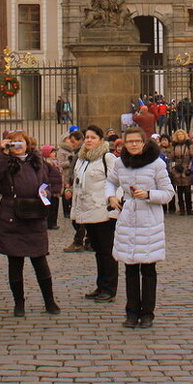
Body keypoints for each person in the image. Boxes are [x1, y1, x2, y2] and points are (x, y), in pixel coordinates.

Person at [0, 130, 63, 317]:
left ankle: (49, 301)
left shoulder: (37, 161)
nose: (17, 145)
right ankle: (19, 303)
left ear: (28, 144)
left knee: (40, 260)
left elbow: (53, 178)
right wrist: (1, 153)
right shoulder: (5, 161)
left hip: (35, 214)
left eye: (20, 141)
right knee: (15, 262)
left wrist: (48, 192)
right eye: (13, 142)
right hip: (12, 216)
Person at [106, 129, 174, 328]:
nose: (134, 145)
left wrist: (149, 194)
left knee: (148, 269)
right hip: (128, 219)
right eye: (130, 142)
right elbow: (110, 182)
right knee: (130, 267)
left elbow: (168, 193)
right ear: (124, 144)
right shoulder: (120, 163)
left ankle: (147, 313)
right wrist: (111, 197)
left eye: (137, 141)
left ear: (144, 143)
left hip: (149, 221)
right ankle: (131, 311)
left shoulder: (157, 164)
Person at [70, 124, 118, 303]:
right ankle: (101, 286)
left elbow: (116, 183)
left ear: (101, 140)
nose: (89, 140)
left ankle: (109, 288)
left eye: (93, 137)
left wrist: (114, 206)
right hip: (88, 210)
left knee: (107, 251)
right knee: (98, 250)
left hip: (104, 211)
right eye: (87, 137)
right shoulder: (82, 159)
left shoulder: (108, 158)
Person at [169, 129, 193, 215]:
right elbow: (171, 158)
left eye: (181, 135)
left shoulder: (188, 145)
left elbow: (192, 157)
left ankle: (189, 209)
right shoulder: (174, 145)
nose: (180, 136)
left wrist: (189, 168)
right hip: (177, 169)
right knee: (179, 191)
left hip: (186, 168)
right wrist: (174, 168)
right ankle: (182, 209)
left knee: (187, 191)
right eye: (178, 135)